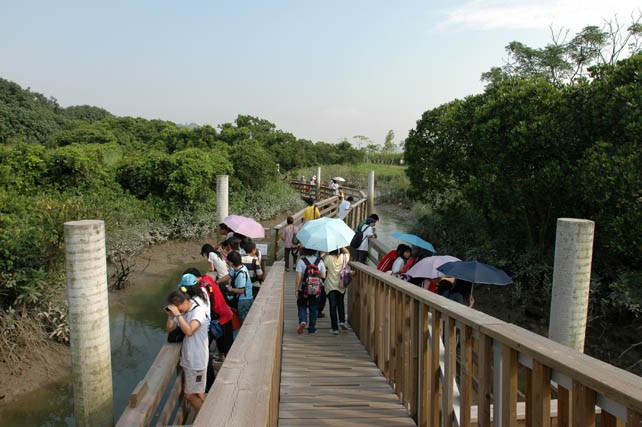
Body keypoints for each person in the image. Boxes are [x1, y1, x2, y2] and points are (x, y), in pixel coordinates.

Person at [165, 276, 209, 412]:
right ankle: (206, 415)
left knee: (190, 395)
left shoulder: (198, 311)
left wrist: (178, 314)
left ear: (184, 302)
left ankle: (206, 418)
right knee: (198, 393)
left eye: (178, 307)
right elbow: (169, 329)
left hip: (197, 360)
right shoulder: (184, 312)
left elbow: (189, 331)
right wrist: (170, 316)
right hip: (189, 359)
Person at [295, 247, 326, 334]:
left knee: (302, 305)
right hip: (316, 289)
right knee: (314, 308)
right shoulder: (320, 261)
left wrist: (297, 290)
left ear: (304, 250)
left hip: (303, 288)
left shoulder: (301, 261)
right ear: (315, 251)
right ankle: (312, 328)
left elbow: (298, 277)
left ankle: (303, 320)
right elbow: (323, 276)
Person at [322, 247, 351, 334]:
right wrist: (342, 246)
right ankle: (342, 321)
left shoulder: (328, 258)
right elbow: (348, 253)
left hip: (330, 285)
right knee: (341, 303)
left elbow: (323, 267)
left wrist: (325, 254)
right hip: (341, 285)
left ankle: (334, 328)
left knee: (332, 306)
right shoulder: (344, 257)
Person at [221, 251, 254, 325]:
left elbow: (241, 290)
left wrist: (231, 289)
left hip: (244, 300)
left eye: (228, 261)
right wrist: (217, 282)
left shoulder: (241, 274)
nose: (227, 262)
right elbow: (228, 276)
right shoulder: (239, 268)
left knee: (244, 322)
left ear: (232, 263)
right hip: (244, 299)